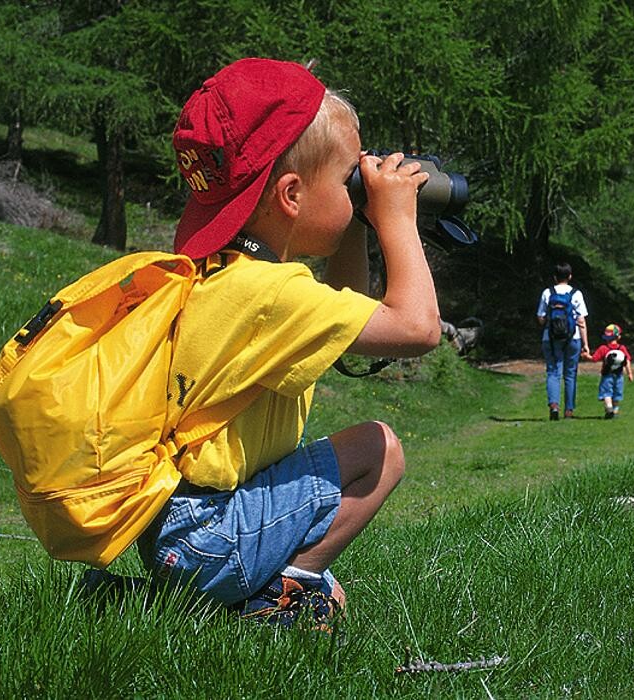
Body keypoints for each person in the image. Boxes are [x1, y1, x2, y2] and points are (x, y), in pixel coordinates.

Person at [130, 58, 441, 628]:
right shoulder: (273, 295)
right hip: (211, 536)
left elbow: (348, 308)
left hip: (172, 530)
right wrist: (397, 217)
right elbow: (418, 328)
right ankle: (278, 603)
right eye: (350, 178)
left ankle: (173, 598)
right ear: (292, 194)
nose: (361, 189)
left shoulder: (224, 275)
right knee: (381, 447)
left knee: (337, 589)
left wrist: (356, 218)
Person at [536, 263, 589, 420]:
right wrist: (586, 345)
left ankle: (554, 405)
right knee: (570, 374)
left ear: (554, 277)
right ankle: (569, 410)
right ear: (570, 276)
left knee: (553, 372)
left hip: (550, 338)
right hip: (573, 338)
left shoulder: (547, 292)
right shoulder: (576, 294)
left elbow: (540, 318)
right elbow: (581, 321)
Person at [582, 323, 634, 419]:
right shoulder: (622, 348)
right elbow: (627, 361)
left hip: (607, 375)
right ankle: (615, 411)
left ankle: (609, 408)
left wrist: (586, 356)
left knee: (607, 393)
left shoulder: (603, 348)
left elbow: (594, 358)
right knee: (617, 394)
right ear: (618, 337)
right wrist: (629, 373)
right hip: (619, 376)